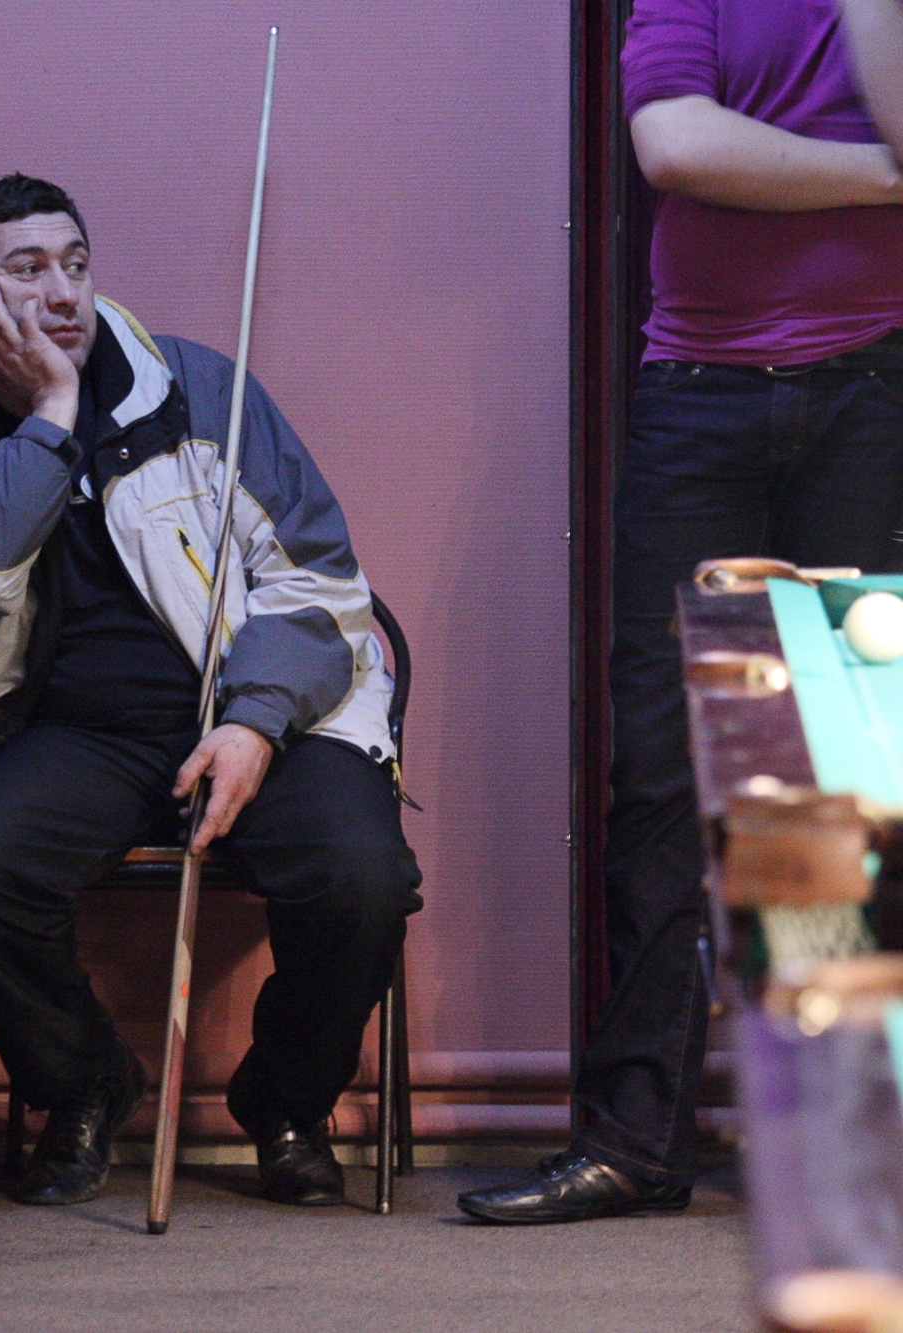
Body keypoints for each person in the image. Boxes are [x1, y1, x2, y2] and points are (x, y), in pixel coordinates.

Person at [0, 174, 423, 1208]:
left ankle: (285, 1102)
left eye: (75, 265)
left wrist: (253, 722)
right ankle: (84, 1083)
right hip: (83, 731)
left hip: (270, 707)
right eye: (26, 269)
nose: (63, 293)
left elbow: (317, 582)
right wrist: (51, 412)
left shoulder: (197, 386)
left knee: (361, 879)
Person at [459, 0, 903, 1225]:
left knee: (827, 783)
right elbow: (673, 143)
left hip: (872, 389)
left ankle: (831, 1149)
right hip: (695, 398)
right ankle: (634, 1140)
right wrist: (879, 179)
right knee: (659, 772)